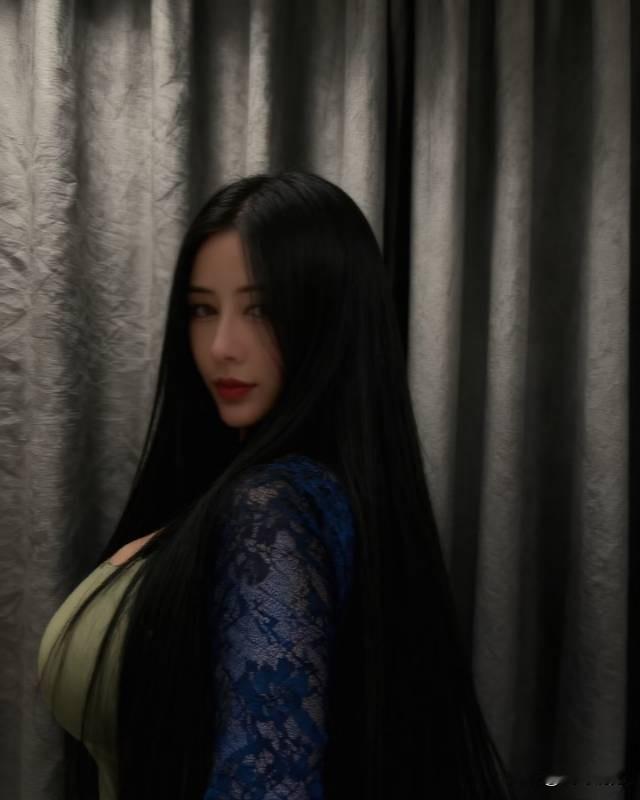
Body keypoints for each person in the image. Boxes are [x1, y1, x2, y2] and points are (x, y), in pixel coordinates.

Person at [37, 171, 517, 800]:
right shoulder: (299, 498)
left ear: (330, 319)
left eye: (261, 309)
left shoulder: (273, 510)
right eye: (203, 309)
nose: (222, 346)